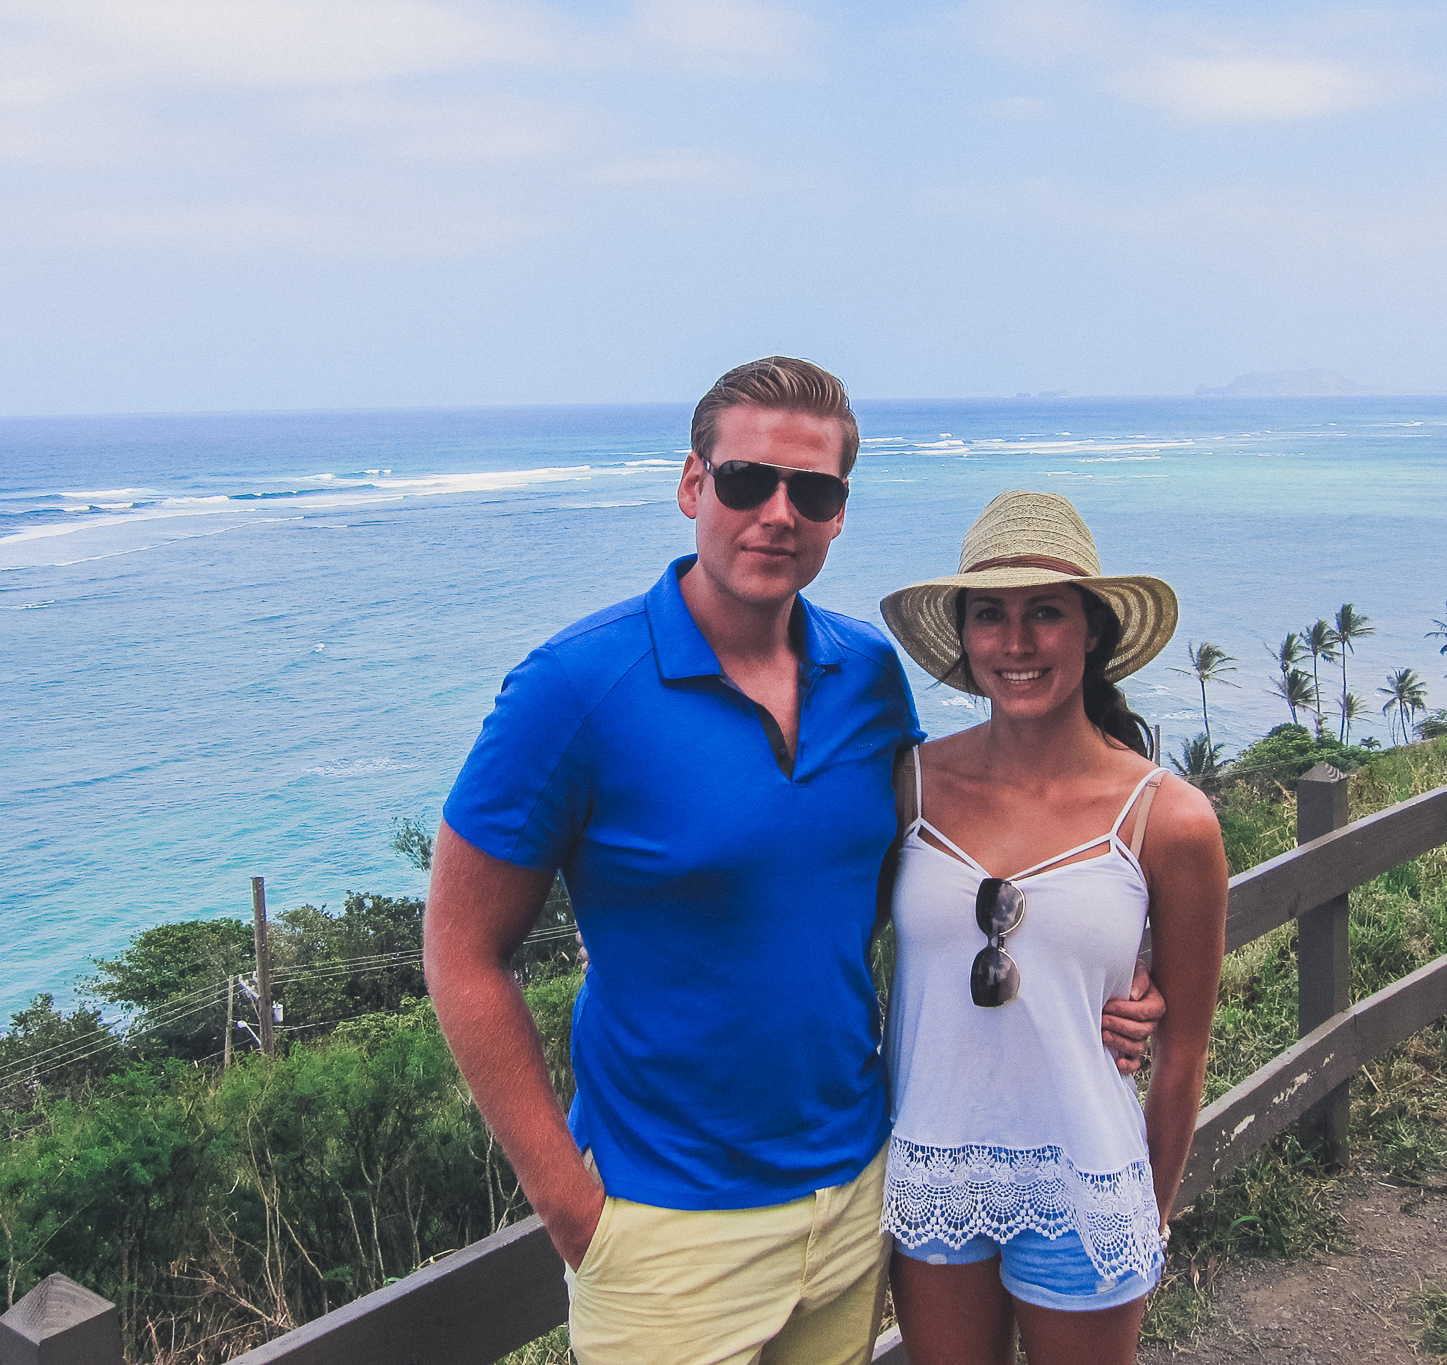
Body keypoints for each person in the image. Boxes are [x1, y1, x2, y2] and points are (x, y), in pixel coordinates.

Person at [424, 360, 1164, 1365]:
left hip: (856, 1193)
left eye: (809, 492)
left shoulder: (864, 677)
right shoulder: (574, 687)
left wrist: (1114, 975)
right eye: (746, 482)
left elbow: (955, 882)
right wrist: (567, 1201)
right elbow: (462, 949)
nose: (777, 513)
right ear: (692, 485)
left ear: (838, 514)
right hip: (665, 1226)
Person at [876, 491, 1229, 1365]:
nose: (1017, 642)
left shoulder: (1168, 817)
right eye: (989, 615)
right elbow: (825, 941)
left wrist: (1149, 1207)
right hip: (934, 1167)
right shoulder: (906, 787)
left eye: (1046, 613)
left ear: (1093, 631)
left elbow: (1184, 1047)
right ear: (963, 636)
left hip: (1086, 1175)